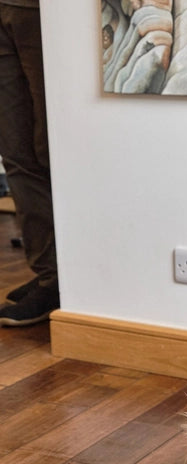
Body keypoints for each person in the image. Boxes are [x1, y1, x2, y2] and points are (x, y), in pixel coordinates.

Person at [0, 0, 59, 326]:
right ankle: (49, 274)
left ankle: (67, 278)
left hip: (42, 9)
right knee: (15, 152)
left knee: (51, 149)